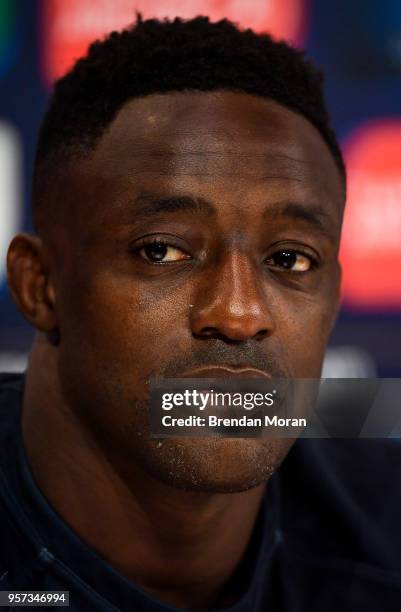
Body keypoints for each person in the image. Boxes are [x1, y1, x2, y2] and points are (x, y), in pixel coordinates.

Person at [1, 15, 400, 612]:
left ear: (335, 298)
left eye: (290, 259)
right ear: (41, 286)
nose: (239, 315)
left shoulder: (384, 522)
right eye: (161, 250)